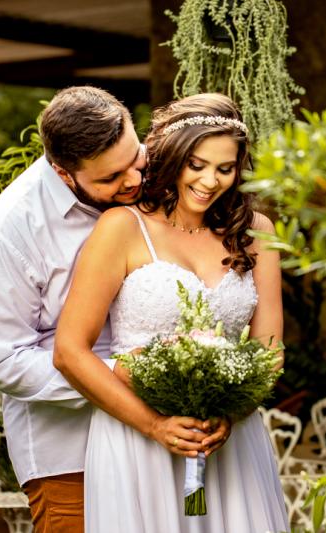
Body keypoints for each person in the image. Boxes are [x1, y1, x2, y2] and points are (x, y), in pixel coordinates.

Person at [0, 86, 227, 533]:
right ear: (64, 174)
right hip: (71, 453)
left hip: (171, 440)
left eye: (135, 159)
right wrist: (118, 371)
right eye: (110, 178)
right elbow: (5, 361)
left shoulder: (158, 182)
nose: (132, 181)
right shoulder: (6, 236)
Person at [55, 93, 289, 532]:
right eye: (196, 165)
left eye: (225, 168)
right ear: (173, 156)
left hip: (228, 444)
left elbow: (269, 349)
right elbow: (69, 351)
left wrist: (231, 413)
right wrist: (156, 426)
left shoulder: (258, 233)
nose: (209, 181)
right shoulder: (123, 227)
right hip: (137, 441)